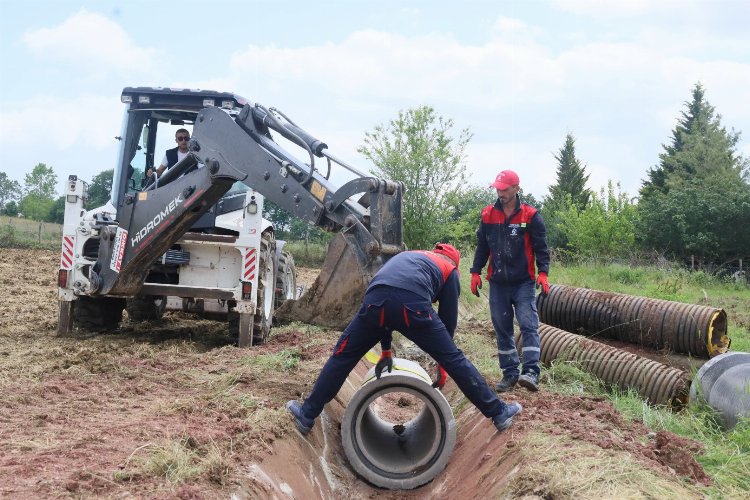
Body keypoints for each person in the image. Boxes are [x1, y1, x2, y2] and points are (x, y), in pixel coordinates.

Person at [287, 243, 522, 435]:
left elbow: (389, 296)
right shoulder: (449, 270)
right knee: (455, 358)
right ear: (456, 264)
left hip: (374, 301)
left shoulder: (410, 256)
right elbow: (448, 322)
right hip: (411, 306)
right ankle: (499, 413)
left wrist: (386, 351)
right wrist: (443, 362)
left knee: (342, 356)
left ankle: (307, 415)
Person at [470, 169, 550, 393]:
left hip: (523, 282)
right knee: (502, 328)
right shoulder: (488, 215)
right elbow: (482, 246)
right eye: (498, 189)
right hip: (498, 283)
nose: (500, 193)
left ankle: (531, 372)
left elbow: (541, 248)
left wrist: (543, 273)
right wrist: (475, 271)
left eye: (504, 189)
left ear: (516, 188)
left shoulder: (531, 216)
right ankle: (510, 374)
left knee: (528, 324)